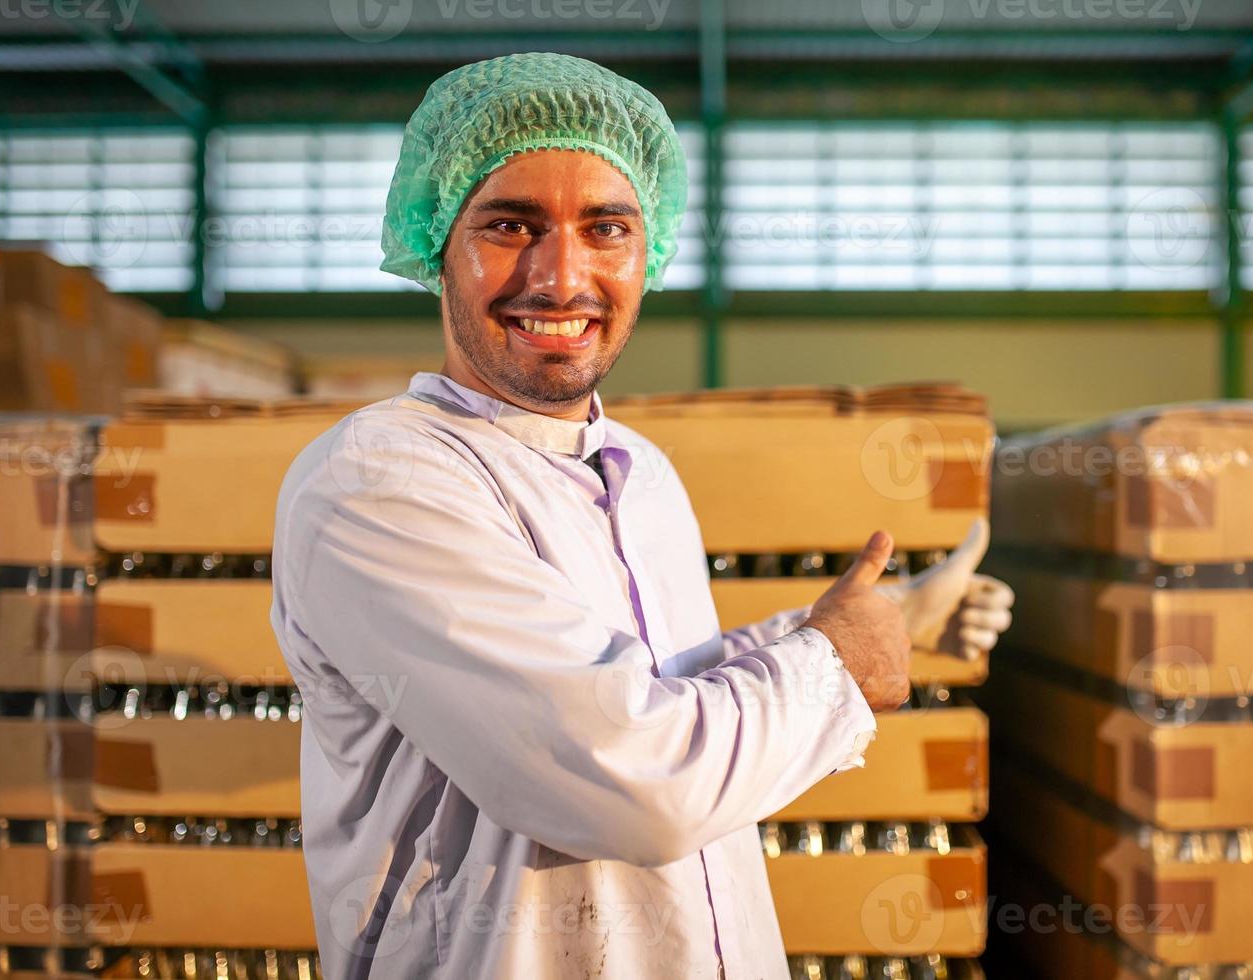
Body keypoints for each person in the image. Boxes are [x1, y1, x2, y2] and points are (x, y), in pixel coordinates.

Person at [269, 52, 1014, 980]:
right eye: (510, 224)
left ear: (647, 250)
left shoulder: (640, 472)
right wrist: (837, 666)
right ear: (436, 242)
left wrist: (883, 619)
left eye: (606, 227)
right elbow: (635, 780)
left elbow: (656, 688)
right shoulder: (380, 480)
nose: (560, 276)